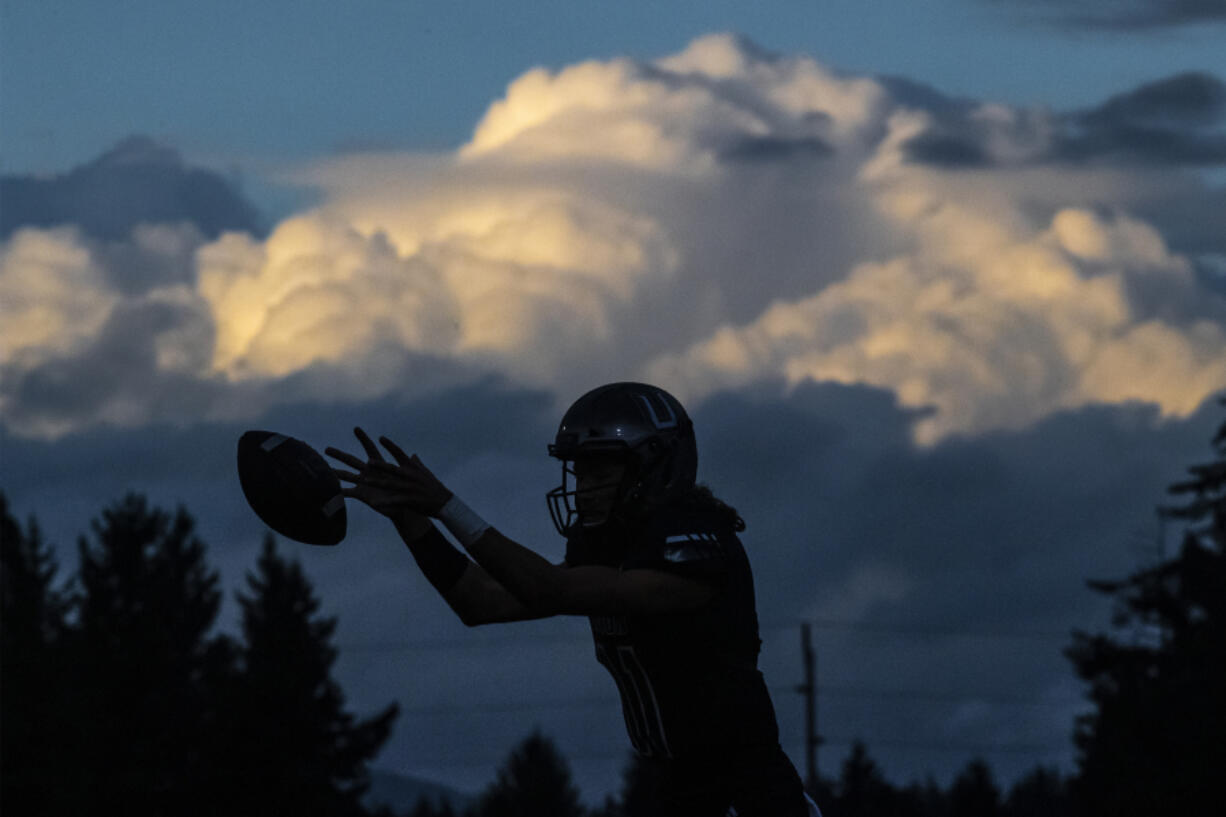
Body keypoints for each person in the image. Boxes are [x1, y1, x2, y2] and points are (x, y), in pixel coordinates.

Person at [326, 382, 821, 817]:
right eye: (579, 472)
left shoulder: (692, 552)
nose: (584, 488)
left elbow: (548, 588)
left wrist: (446, 505)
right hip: (677, 788)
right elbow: (481, 602)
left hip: (743, 791)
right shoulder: (618, 553)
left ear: (654, 467)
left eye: (600, 470)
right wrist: (410, 517)